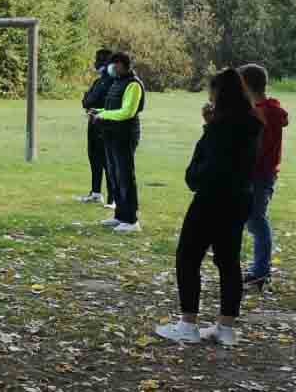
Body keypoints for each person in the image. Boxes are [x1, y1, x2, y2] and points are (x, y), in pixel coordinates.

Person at [155, 68, 262, 346]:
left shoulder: (220, 129)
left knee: (188, 257)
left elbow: (207, 164)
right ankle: (226, 327)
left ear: (219, 95)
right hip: (240, 198)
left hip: (211, 199)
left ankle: (188, 324)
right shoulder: (253, 124)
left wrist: (194, 175)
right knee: (229, 261)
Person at [239, 64, 288, 286]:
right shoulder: (270, 109)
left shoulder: (259, 112)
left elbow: (254, 145)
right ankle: (259, 269)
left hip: (257, 174)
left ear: (245, 85)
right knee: (253, 220)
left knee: (257, 221)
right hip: (263, 173)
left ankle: (260, 271)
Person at [90, 52, 146, 233]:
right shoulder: (117, 82)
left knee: (125, 176)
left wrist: (102, 115)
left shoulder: (134, 85)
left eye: (113, 64)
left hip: (125, 135)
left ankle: (131, 220)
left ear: (122, 65)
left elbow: (127, 112)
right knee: (114, 175)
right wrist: (97, 111)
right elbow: (112, 108)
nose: (110, 68)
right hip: (111, 134)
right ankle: (120, 216)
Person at [77, 49, 116, 206]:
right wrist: (89, 99)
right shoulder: (99, 81)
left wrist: (90, 100)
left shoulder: (111, 82)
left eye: (99, 60)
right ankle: (96, 192)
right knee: (94, 159)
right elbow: (86, 101)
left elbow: (92, 99)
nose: (96, 63)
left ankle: (112, 198)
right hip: (93, 124)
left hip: (105, 126)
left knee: (107, 162)